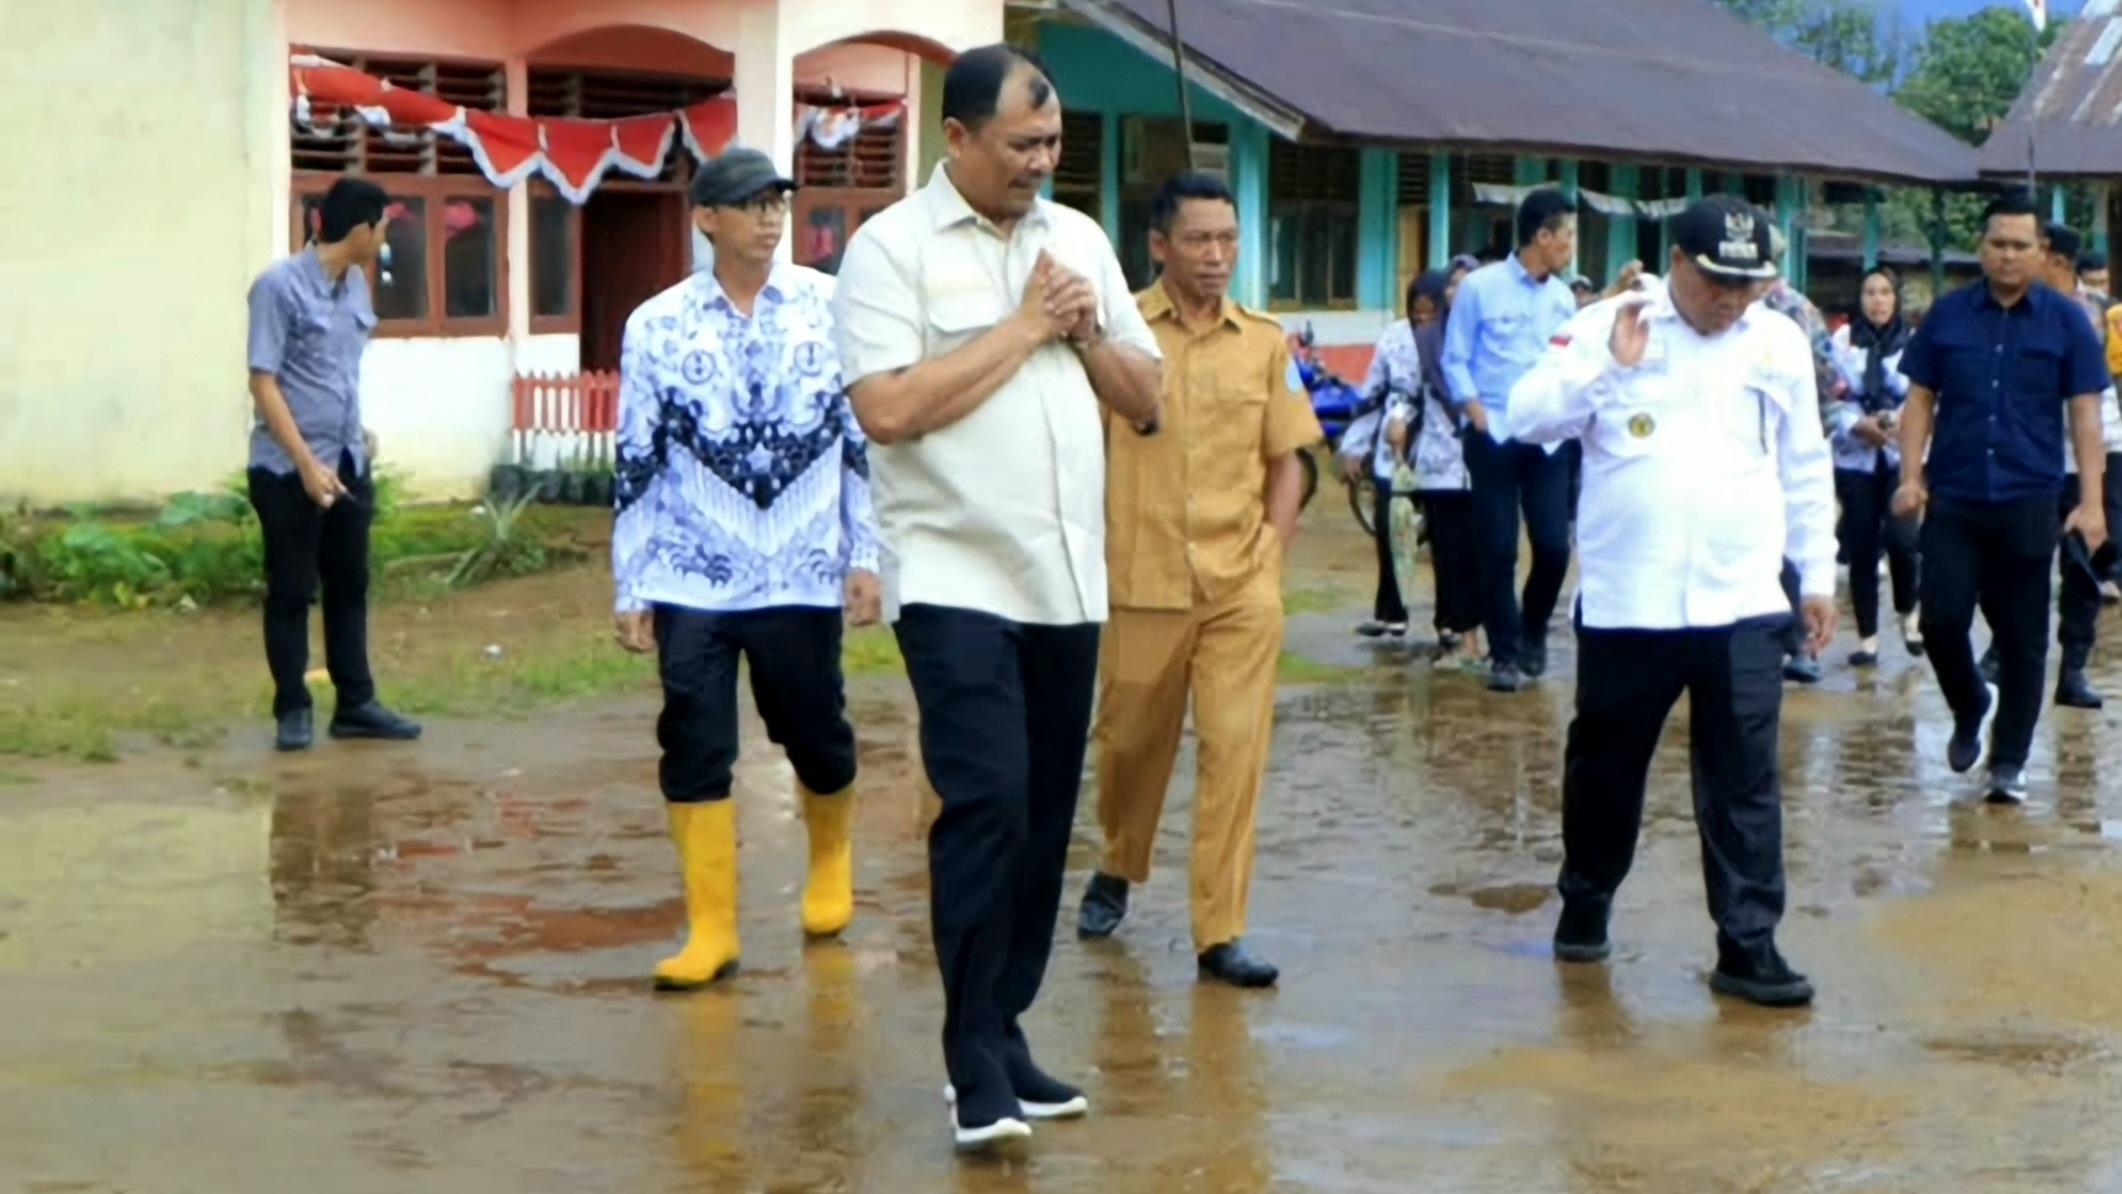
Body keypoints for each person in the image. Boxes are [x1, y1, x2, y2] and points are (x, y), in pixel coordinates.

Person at [828, 44, 1163, 1150]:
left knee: (1042, 817)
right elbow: (884, 408)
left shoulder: (1080, 241)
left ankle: (1004, 1025)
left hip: (1065, 577)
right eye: (1022, 145)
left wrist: (1077, 326)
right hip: (953, 571)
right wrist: (1021, 328)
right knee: (986, 800)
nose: (1041, 163)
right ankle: (970, 1058)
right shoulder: (891, 251)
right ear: (957, 137)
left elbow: (1145, 394)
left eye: (1053, 145)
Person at [1510, 195, 1837, 1008]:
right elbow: (1525, 419)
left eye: (1748, 285)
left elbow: (1804, 460)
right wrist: (1605, 368)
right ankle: (1586, 898)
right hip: (1632, 604)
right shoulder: (1611, 326)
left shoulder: (1780, 341)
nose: (1731, 300)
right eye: (1717, 282)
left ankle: (1748, 942)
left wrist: (1819, 574)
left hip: (1744, 599)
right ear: (1680, 264)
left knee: (1746, 781)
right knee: (1607, 771)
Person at [609, 147, 881, 992]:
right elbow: (636, 458)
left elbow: (862, 442)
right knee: (692, 735)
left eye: (779, 203)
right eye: (752, 204)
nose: (770, 219)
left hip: (800, 569)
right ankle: (713, 930)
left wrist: (865, 556)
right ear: (707, 219)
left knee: (813, 729)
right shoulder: (656, 325)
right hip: (693, 572)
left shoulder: (830, 309)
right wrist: (632, 581)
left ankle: (831, 855)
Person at [1075, 173, 1321, 988]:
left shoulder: (1265, 342)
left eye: (1228, 240)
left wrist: (1270, 552)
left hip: (1238, 587)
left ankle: (1222, 933)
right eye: (1198, 240)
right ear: (1158, 246)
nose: (1216, 257)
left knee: (1234, 751)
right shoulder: (1118, 339)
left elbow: (1288, 461)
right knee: (1129, 750)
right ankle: (1118, 859)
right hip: (1139, 580)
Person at [1893, 193, 2109, 804]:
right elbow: (1920, 400)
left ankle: (2008, 760)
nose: (2009, 255)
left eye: (2022, 245)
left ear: (2042, 252)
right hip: (1955, 495)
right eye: (1998, 244)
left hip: (2028, 496)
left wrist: (2091, 503)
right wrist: (1911, 475)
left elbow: (2087, 416)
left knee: (2022, 638)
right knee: (1939, 619)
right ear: (1982, 248)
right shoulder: (1949, 316)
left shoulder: (2067, 322)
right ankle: (1969, 704)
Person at [245, 176, 422, 753]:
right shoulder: (278, 287)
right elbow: (263, 382)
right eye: (384, 226)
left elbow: (338, 370)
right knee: (292, 589)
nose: (386, 236)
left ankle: (356, 703)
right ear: (361, 231)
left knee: (350, 584)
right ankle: (292, 709)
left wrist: (355, 436)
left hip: (346, 460)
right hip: (285, 468)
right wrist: (304, 463)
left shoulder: (356, 289)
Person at [1442, 188, 1581, 692]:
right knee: (1498, 549)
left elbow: (1569, 364)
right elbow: (1454, 355)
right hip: (1493, 433)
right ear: (1541, 236)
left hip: (1546, 439)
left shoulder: (1563, 299)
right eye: (1565, 234)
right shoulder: (1480, 288)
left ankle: (1533, 628)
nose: (1570, 245)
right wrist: (1473, 408)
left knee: (1552, 547)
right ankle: (1504, 655)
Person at [1375, 270, 1482, 667]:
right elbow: (1405, 393)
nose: (1425, 321)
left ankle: (1475, 631)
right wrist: (1396, 424)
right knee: (1443, 549)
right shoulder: (1421, 343)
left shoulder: (1475, 338)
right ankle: (1444, 628)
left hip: (1480, 461)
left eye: (1431, 312)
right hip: (1436, 463)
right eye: (1418, 314)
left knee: (1475, 552)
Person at [1826, 266, 1923, 666]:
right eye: (1869, 292)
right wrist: (1857, 424)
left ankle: (1908, 612)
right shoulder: (1841, 343)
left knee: (1903, 541)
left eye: (1885, 292)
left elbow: (1927, 394)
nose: (1877, 300)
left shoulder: (1915, 343)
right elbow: (1830, 396)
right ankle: (1867, 637)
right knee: (1862, 545)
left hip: (1902, 454)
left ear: (1896, 298)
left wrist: (1901, 422)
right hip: (1854, 458)